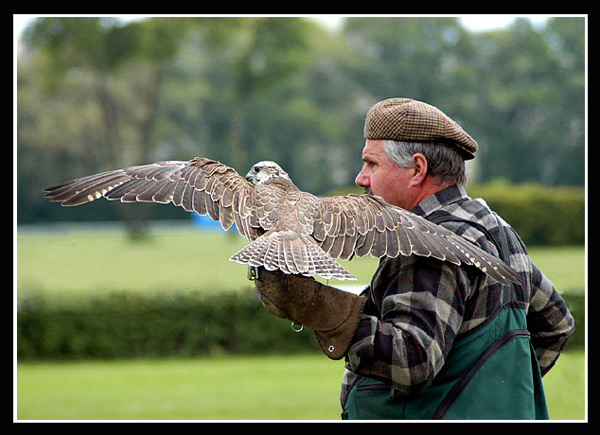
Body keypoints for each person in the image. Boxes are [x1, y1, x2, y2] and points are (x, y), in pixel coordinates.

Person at [253, 97, 575, 420]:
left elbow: (414, 359)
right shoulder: (497, 229)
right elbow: (557, 323)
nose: (360, 178)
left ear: (417, 170)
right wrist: (494, 395)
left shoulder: (428, 243)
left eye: (372, 164)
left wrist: (322, 309)